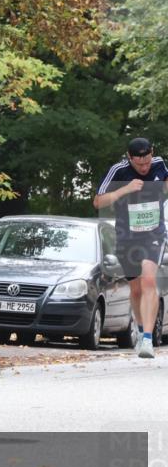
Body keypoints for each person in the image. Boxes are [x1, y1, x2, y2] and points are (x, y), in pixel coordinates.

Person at [94, 137, 168, 358]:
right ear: (129, 158)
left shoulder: (159, 164)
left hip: (153, 234)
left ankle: (147, 339)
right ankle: (138, 327)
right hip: (127, 236)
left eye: (147, 162)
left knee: (148, 280)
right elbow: (98, 202)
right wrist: (124, 190)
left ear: (151, 153)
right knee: (135, 289)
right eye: (139, 164)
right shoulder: (118, 171)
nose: (145, 167)